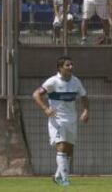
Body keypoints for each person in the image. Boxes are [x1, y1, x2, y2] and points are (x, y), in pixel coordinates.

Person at [32, 56, 89, 186]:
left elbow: (84, 96)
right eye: (67, 65)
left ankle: (58, 176)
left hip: (71, 119)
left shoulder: (76, 81)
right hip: (57, 119)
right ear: (60, 68)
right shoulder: (52, 82)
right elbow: (36, 94)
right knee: (61, 147)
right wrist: (46, 109)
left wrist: (86, 110)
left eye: (71, 65)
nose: (71, 67)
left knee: (69, 150)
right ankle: (64, 179)